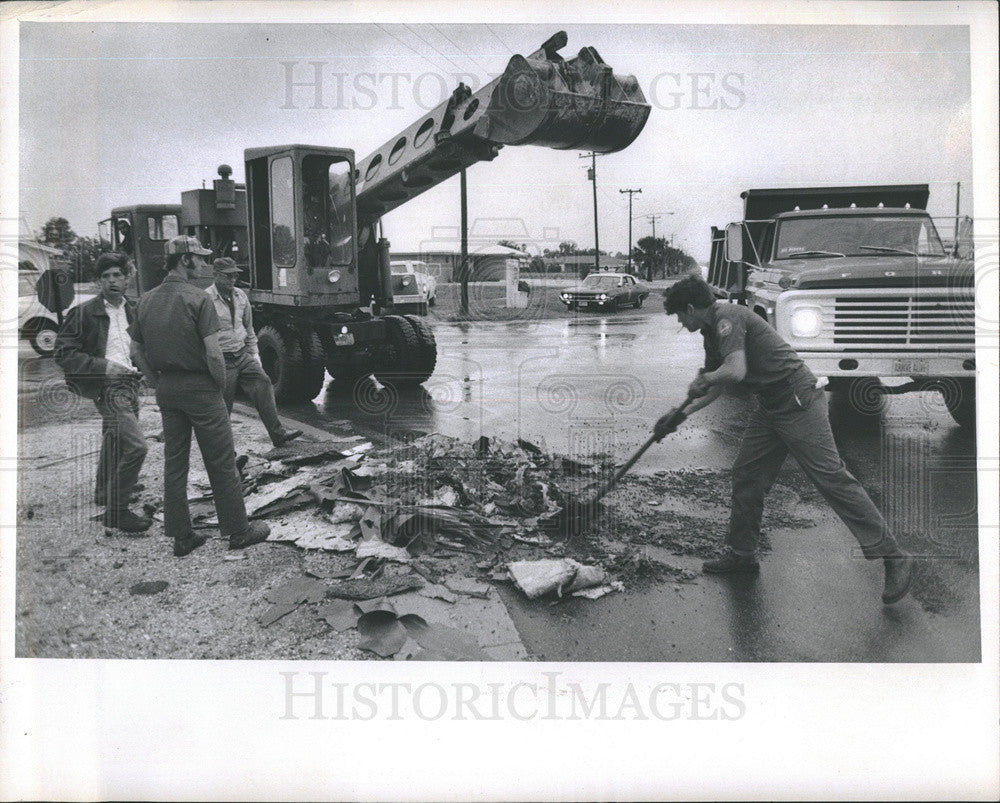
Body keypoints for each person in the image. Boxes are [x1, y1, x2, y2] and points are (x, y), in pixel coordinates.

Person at [656, 275, 913, 605]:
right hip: (771, 407)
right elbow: (716, 386)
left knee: (832, 478)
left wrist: (706, 378)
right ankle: (742, 556)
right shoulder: (711, 333)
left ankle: (894, 556)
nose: (680, 322)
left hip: (798, 400)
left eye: (679, 316)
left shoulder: (728, 319)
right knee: (747, 475)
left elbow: (733, 371)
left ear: (691, 308)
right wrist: (677, 416)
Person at [129, 235, 269, 557]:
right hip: (200, 388)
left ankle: (182, 536)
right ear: (185, 260)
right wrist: (219, 387)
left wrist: (156, 381)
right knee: (221, 461)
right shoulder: (198, 299)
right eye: (201, 258)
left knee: (174, 463)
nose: (205, 264)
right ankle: (238, 530)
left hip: (168, 388)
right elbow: (215, 355)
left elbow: (137, 349)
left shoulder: (146, 300)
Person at [54, 252, 151, 533]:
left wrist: (144, 367)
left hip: (132, 384)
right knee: (136, 447)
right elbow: (63, 352)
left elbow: (141, 345)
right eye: (105, 276)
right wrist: (103, 367)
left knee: (114, 439)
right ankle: (117, 511)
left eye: (117, 275)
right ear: (98, 282)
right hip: (107, 388)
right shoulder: (84, 313)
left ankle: (103, 492)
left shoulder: (135, 309)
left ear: (126, 278)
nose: (112, 281)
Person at [205, 257, 302, 447]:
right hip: (222, 359)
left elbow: (248, 329)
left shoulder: (241, 296)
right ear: (215, 275)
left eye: (235, 275)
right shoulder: (206, 299)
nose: (232, 279)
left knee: (264, 384)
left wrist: (255, 354)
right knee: (223, 405)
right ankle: (223, 448)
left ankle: (278, 435)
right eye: (227, 276)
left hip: (242, 355)